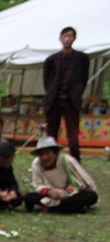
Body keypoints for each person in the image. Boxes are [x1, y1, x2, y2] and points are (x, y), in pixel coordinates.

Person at [43, 26, 90, 161]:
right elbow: (47, 81)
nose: (67, 39)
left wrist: (76, 93)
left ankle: (75, 164)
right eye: (65, 36)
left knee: (73, 138)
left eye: (70, 36)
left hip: (71, 101)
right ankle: (51, 162)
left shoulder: (82, 58)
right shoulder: (51, 60)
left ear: (74, 38)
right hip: (55, 100)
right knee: (51, 136)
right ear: (60, 39)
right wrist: (51, 94)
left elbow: (83, 79)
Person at [25, 136, 98, 213]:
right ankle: (71, 208)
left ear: (55, 153)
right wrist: (49, 191)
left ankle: (50, 209)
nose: (44, 157)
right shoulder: (36, 164)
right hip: (49, 195)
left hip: (69, 195)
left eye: (47, 153)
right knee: (29, 198)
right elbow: (37, 184)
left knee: (91, 196)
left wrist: (66, 193)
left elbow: (78, 182)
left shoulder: (67, 161)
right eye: (41, 154)